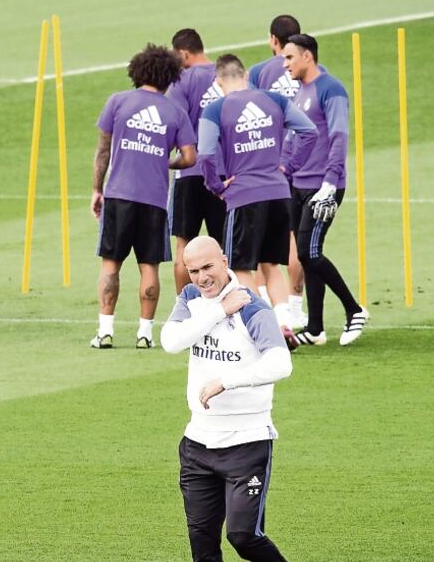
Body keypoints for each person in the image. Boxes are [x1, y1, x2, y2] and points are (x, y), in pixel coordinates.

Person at [161, 235, 308, 562]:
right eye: (193, 270)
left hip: (246, 443)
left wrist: (226, 381)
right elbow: (171, 342)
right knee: (202, 543)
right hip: (197, 445)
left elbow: (281, 364)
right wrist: (216, 311)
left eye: (208, 267)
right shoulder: (192, 298)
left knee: (243, 537)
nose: (201, 277)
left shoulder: (252, 307)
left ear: (224, 260)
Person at [197, 54, 317, 347]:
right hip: (278, 193)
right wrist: (288, 167)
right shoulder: (275, 100)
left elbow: (205, 154)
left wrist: (216, 186)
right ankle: (284, 323)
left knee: (240, 268)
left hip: (244, 196)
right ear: (245, 75)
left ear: (218, 81)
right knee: (271, 265)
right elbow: (309, 132)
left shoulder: (216, 109)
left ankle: (264, 328)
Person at [90, 43, 196, 349]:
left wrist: (97, 189)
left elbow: (103, 151)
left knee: (111, 265)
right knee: (149, 266)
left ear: (137, 71)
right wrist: (166, 162)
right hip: (154, 200)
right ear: (169, 76)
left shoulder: (118, 101)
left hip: (118, 195)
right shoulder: (175, 112)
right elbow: (190, 157)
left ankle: (105, 331)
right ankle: (145, 333)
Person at [283, 34, 369, 346]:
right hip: (298, 185)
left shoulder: (331, 89)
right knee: (306, 256)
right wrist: (284, 171)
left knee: (309, 252)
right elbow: (293, 138)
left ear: (307, 56)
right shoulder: (299, 92)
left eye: (290, 57)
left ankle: (354, 309)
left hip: (323, 186)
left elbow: (339, 136)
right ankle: (316, 328)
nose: (285, 64)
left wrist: (331, 181)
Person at [249, 14, 309, 325]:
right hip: (305, 161)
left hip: (269, 162)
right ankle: (295, 308)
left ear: (273, 39)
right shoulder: (311, 69)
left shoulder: (259, 72)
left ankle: (265, 304)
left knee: (262, 236)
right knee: (297, 237)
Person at [167, 28, 226, 294]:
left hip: (189, 171)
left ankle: (185, 308)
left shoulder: (180, 81)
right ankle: (226, 305)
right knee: (223, 246)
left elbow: (174, 123)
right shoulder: (225, 74)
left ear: (183, 53)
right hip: (224, 173)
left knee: (184, 245)